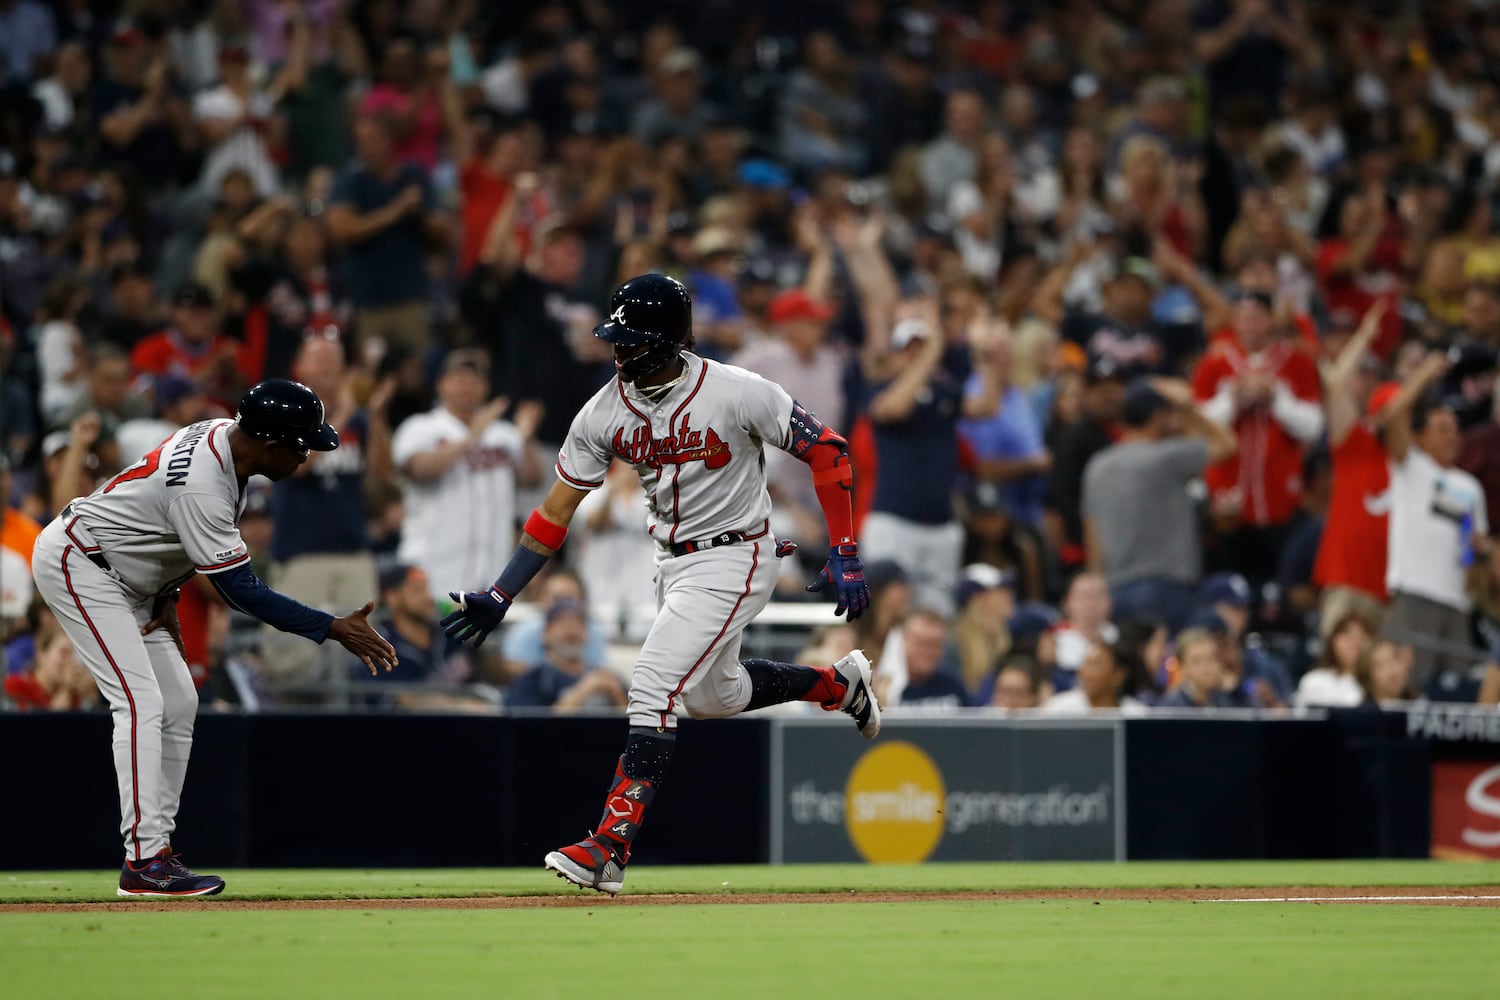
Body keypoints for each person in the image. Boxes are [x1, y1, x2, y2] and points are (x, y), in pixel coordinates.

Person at [439, 273, 879, 896]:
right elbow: (555, 510)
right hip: (671, 563)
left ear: (669, 340)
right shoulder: (604, 409)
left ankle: (608, 849)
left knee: (651, 686)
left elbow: (829, 450)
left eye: (633, 339)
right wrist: (503, 592)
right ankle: (838, 685)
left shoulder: (735, 390)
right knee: (711, 697)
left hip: (739, 554)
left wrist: (844, 550)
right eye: (616, 337)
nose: (619, 351)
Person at [30, 379, 396, 897]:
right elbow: (242, 591)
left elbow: (157, 526)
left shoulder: (227, 438)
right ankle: (142, 862)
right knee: (139, 702)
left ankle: (158, 852)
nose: (307, 457)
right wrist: (331, 627)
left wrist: (166, 594)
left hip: (131, 577)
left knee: (180, 700)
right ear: (272, 445)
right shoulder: (205, 479)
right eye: (302, 446)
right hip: (83, 564)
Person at [1082, 378, 1237, 630]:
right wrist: (1188, 407)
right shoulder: (1166, 457)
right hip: (1167, 588)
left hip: (1116, 590)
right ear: (1157, 416)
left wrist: (1100, 592)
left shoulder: (1096, 466)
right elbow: (1227, 443)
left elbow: (1093, 540)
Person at [392, 350, 543, 603]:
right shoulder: (421, 427)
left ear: (486, 388)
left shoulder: (503, 434)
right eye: (459, 379)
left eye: (474, 380)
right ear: (441, 385)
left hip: (493, 573)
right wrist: (472, 435)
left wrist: (525, 437)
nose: (467, 387)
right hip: (433, 571)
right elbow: (420, 470)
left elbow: (533, 478)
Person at [1383, 354, 1491, 686]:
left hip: (1457, 602)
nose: (1452, 437)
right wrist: (1425, 375)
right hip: (1416, 593)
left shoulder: (1470, 487)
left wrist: (1477, 555)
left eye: (1456, 430)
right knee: (1410, 685)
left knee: (1457, 693)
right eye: (1442, 429)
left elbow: (1472, 548)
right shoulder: (1411, 467)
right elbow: (1392, 416)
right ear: (1420, 437)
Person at [506, 599, 628, 713]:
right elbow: (529, 730)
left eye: (579, 622)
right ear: (545, 634)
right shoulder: (531, 682)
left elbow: (636, 726)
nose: (571, 630)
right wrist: (583, 690)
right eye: (562, 622)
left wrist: (616, 695)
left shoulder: (609, 678)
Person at [1043, 640, 1147, 715]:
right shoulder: (1058, 710)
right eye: (1084, 664)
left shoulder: (1136, 714)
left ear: (1118, 674)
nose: (1084, 673)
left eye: (1095, 664)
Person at [1295, 612, 1372, 709]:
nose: (1354, 642)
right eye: (1346, 634)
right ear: (1333, 641)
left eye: (1361, 636)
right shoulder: (1313, 681)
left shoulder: (1378, 685)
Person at [1158, 627, 1235, 709]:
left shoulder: (1226, 701)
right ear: (1182, 667)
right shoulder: (1170, 707)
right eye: (1197, 661)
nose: (1206, 667)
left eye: (1211, 658)